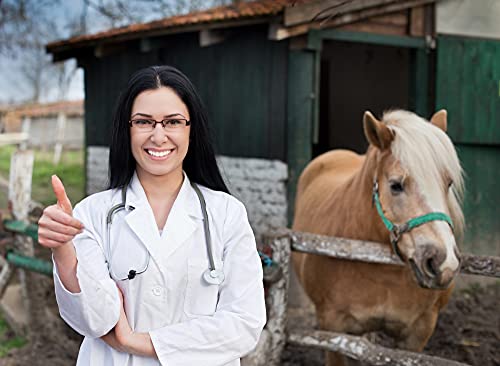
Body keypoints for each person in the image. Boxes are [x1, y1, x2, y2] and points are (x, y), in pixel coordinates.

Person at [37, 65, 266, 366]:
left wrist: (141, 343)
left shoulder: (226, 214)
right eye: (144, 122)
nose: (158, 136)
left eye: (172, 122)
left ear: (191, 129)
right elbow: (96, 320)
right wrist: (63, 249)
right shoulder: (92, 214)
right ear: (127, 129)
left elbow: (243, 325)